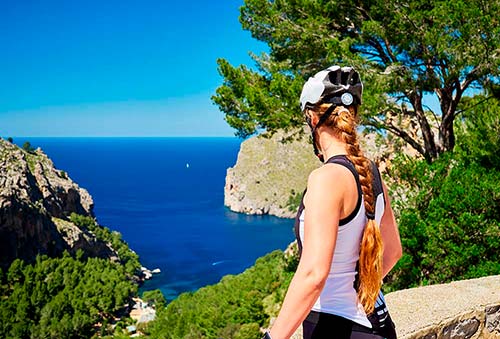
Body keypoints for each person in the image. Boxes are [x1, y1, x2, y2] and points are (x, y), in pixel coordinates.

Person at [262, 66, 402, 339]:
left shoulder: (326, 179)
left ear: (313, 118)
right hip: (379, 325)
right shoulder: (371, 173)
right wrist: (361, 291)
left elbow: (314, 274)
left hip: (336, 329)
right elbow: (394, 251)